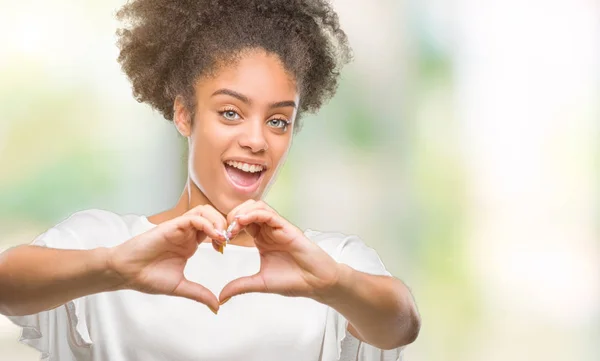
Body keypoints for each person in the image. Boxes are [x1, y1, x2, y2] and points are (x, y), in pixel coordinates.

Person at [0, 1, 421, 360]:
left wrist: (331, 282)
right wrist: (114, 268)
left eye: (278, 121)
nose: (256, 140)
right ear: (184, 114)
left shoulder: (323, 260)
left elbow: (401, 324)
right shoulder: (106, 241)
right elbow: (7, 285)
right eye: (230, 113)